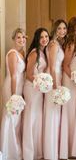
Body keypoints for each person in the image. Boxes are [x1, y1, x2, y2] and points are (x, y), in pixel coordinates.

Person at [22, 28, 49, 160]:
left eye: (46, 36)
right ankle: (28, 153)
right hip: (32, 88)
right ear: (37, 39)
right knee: (31, 118)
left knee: (37, 119)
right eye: (42, 37)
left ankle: (37, 152)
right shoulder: (34, 53)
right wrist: (40, 82)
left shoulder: (43, 52)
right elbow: (28, 75)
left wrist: (42, 84)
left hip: (39, 89)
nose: (45, 39)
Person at [0, 28, 27, 159]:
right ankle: (7, 151)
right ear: (13, 39)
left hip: (19, 88)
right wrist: (14, 96)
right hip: (12, 87)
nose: (21, 40)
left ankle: (15, 149)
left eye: (23, 37)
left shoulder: (21, 53)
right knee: (10, 117)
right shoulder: (12, 54)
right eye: (18, 37)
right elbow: (13, 76)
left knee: (16, 120)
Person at [60, 17, 76, 159]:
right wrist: (75, 79)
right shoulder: (70, 43)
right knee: (70, 110)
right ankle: (68, 147)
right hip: (70, 79)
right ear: (71, 30)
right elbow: (65, 65)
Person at [43, 19, 67, 160]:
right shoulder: (53, 44)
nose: (62, 31)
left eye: (64, 28)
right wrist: (54, 86)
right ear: (54, 30)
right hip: (53, 79)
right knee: (52, 114)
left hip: (57, 77)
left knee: (56, 114)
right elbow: (52, 66)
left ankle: (55, 151)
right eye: (59, 29)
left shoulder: (58, 44)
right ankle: (50, 153)